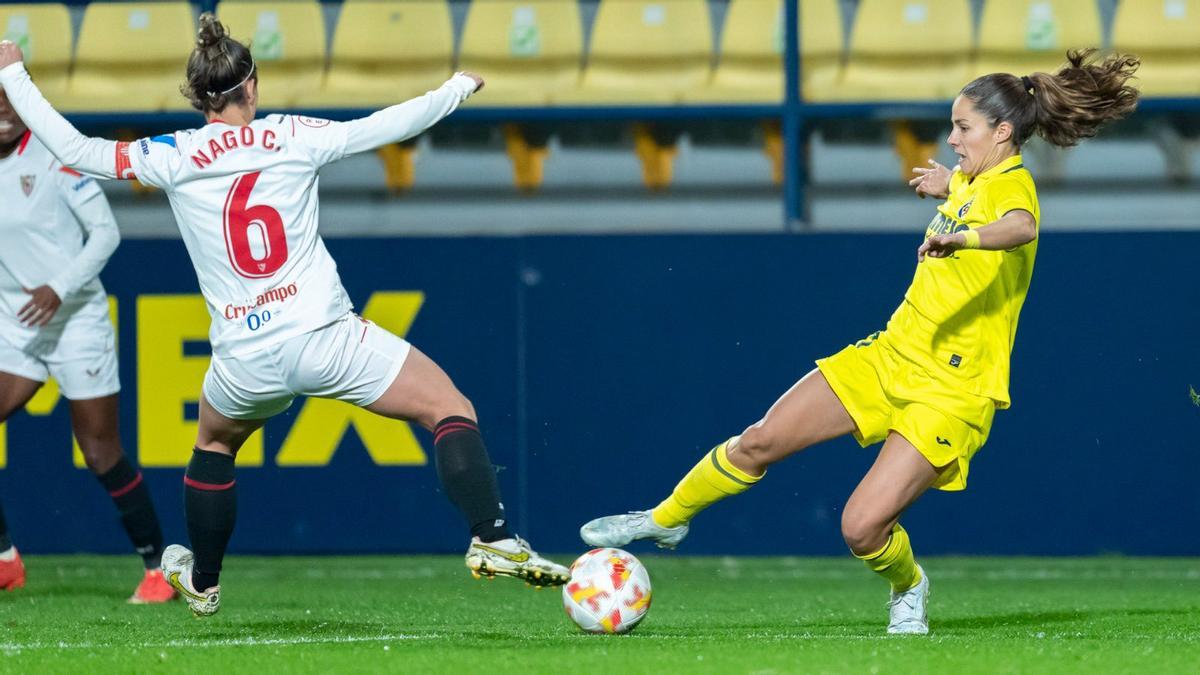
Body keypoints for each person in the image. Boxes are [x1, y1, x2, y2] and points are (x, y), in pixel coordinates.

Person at [0, 14, 568, 618]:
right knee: (449, 408)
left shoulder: (171, 154)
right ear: (252, 87)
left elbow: (75, 150)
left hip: (244, 357)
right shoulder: (292, 135)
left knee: (214, 442)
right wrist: (454, 88)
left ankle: (205, 579)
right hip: (323, 336)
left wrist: (15, 73)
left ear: (198, 96)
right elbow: (384, 126)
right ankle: (492, 535)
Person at [580, 50, 1140, 635]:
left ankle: (908, 585)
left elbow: (1019, 226)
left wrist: (966, 238)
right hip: (890, 356)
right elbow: (973, 192)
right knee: (761, 440)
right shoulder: (975, 178)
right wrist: (949, 187)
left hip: (951, 390)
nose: (951, 138)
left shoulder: (1014, 187)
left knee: (861, 528)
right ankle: (667, 519)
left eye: (962, 127)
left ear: (1003, 132)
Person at [0, 87, 174, 603]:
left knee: (100, 452)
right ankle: (5, 560)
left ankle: (158, 570)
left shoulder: (55, 155)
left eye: (9, 101)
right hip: (16, 324)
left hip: (74, 320)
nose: (3, 112)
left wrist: (60, 288)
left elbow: (105, 233)